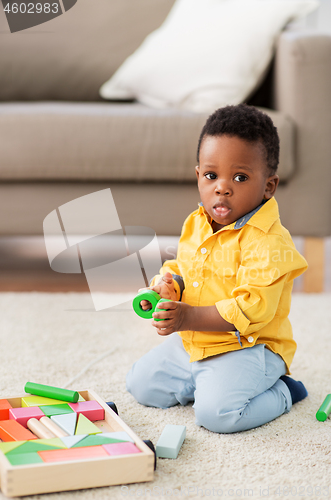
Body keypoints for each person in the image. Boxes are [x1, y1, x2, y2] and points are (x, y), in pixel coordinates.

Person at [126, 104, 308, 433]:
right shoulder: (196, 223)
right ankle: (207, 381)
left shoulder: (270, 243)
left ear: (268, 185)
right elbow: (183, 267)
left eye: (240, 177)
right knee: (141, 384)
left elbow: (251, 308)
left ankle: (283, 391)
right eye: (212, 176)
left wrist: (185, 317)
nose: (222, 187)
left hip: (249, 347)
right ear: (199, 176)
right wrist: (169, 286)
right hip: (197, 341)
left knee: (217, 416)